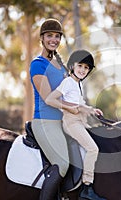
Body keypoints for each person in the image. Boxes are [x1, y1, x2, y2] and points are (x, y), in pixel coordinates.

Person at [45, 50, 106, 200]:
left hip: (80, 120)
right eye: (80, 66)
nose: (83, 70)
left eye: (86, 68)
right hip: (71, 122)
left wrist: (92, 110)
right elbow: (50, 99)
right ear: (72, 65)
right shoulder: (68, 82)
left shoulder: (78, 85)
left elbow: (80, 105)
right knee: (93, 149)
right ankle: (86, 187)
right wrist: (67, 108)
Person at [29, 18, 69, 200]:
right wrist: (74, 108)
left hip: (63, 121)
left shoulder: (60, 66)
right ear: (42, 38)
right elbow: (48, 98)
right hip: (45, 121)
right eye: (49, 36)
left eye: (57, 36)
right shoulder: (38, 64)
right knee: (62, 164)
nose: (53, 39)